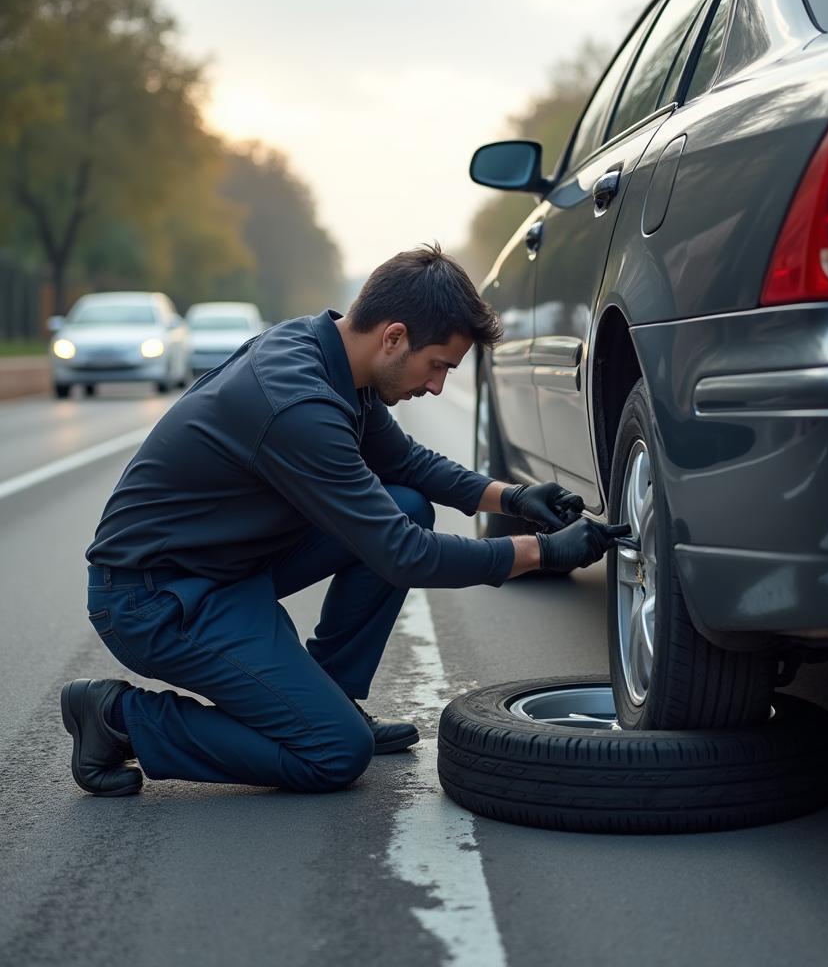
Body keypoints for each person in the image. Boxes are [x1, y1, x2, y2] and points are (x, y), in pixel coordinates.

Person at [61, 243, 629, 797]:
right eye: (437, 367)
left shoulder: (333, 357)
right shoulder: (296, 406)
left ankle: (329, 696)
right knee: (334, 752)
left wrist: (514, 497)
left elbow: (404, 461)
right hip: (157, 599)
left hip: (225, 567)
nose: (435, 386)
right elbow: (402, 553)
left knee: (406, 500)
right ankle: (117, 717)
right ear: (394, 337)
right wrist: (542, 552)